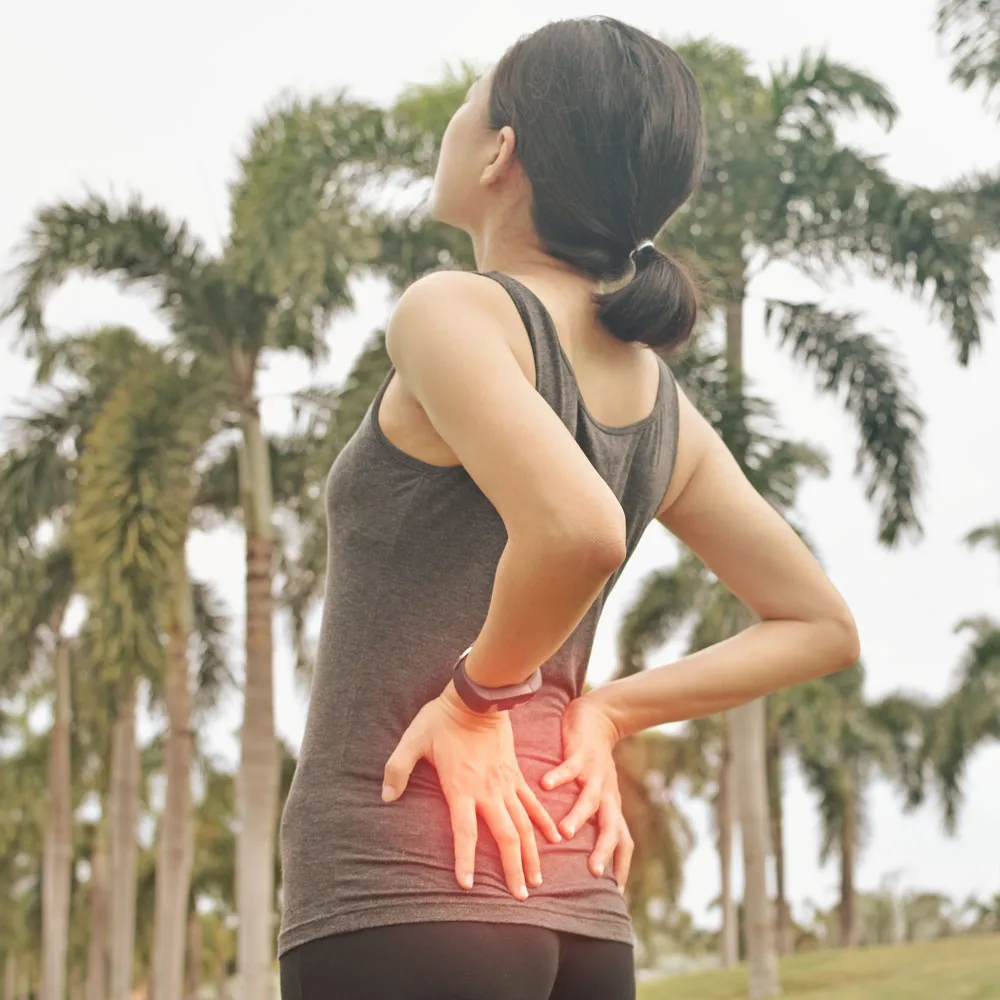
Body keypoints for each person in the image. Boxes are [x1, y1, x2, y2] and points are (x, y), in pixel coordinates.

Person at [277, 15, 860, 1000]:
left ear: (502, 151)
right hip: (576, 910)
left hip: (404, 890)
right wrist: (609, 710)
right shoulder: (659, 403)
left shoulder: (453, 311)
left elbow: (577, 529)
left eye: (467, 102)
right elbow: (819, 625)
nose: (454, 124)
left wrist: (477, 699)